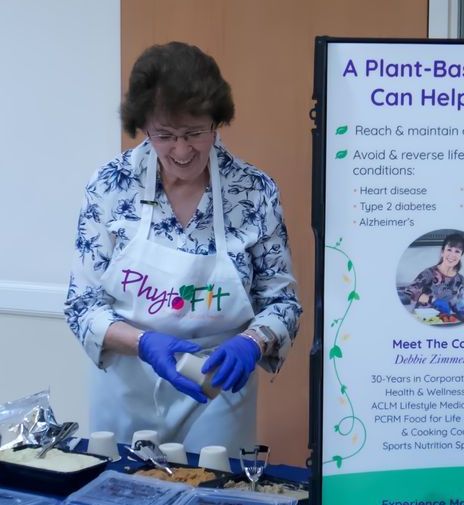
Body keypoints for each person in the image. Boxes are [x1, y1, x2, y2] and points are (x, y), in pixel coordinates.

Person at [65, 41, 299, 449]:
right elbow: (81, 305)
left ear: (216, 122)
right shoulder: (111, 186)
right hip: (126, 387)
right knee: (122, 486)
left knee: (214, 485)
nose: (182, 150)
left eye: (194, 133)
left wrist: (251, 342)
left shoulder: (254, 191)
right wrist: (143, 343)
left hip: (217, 391)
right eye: (165, 135)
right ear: (143, 127)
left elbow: (283, 304)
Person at [400, 232, 464, 323]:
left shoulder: (460, 279)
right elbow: (408, 292)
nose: (452, 255)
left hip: (444, 321)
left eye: (457, 251)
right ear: (442, 252)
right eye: (449, 250)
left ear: (461, 256)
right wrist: (433, 300)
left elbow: (455, 304)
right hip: (422, 320)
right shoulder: (429, 273)